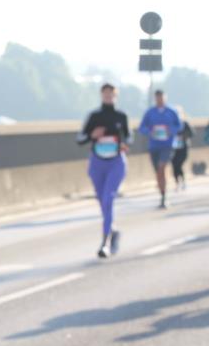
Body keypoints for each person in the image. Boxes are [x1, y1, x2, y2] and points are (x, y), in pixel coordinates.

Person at [77, 84, 130, 258]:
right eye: (105, 94)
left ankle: (105, 242)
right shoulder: (94, 116)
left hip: (116, 162)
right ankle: (113, 230)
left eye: (111, 94)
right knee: (102, 200)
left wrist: (124, 143)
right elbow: (80, 138)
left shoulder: (121, 116)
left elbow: (129, 137)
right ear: (101, 95)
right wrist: (93, 135)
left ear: (116, 96)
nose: (108, 97)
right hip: (98, 162)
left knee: (109, 198)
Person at [138, 90, 183, 208]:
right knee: (158, 171)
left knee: (162, 167)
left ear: (165, 98)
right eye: (158, 98)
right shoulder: (150, 112)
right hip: (154, 146)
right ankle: (162, 194)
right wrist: (150, 132)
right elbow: (142, 127)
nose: (160, 100)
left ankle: (164, 197)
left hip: (167, 145)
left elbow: (179, 126)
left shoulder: (172, 112)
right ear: (155, 98)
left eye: (162, 98)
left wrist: (171, 131)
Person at [170, 107, 193, 191]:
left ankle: (183, 181)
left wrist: (183, 136)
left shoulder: (185, 123)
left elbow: (191, 133)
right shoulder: (172, 124)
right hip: (174, 148)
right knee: (174, 165)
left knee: (179, 165)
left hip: (183, 148)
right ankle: (177, 182)